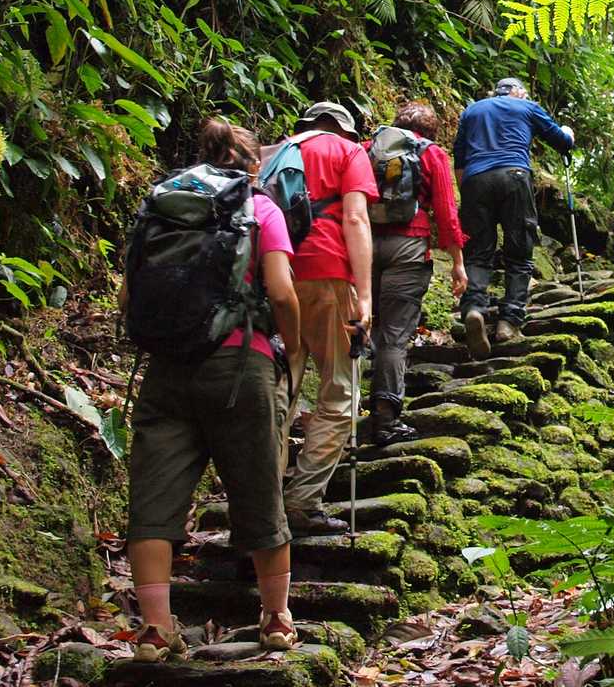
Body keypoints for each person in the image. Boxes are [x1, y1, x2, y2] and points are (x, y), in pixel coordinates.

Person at [124, 118, 300, 660]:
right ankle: (275, 619)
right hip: (239, 366)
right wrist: (292, 357)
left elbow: (128, 298)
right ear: (254, 164)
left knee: (153, 504)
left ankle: (155, 629)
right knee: (259, 492)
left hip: (166, 368)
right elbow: (283, 293)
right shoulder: (258, 207)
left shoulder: (161, 207)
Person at [278, 101, 379, 536]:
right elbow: (355, 218)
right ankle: (301, 502)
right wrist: (366, 296)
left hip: (275, 273)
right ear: (347, 130)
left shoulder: (276, 152)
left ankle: (262, 499)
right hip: (327, 273)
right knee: (340, 389)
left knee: (281, 388)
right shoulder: (348, 152)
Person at [364, 101, 468, 446]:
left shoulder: (368, 149)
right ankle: (385, 418)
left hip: (365, 245)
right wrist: (457, 261)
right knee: (394, 335)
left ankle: (354, 413)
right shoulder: (432, 154)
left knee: (374, 327)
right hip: (408, 247)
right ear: (433, 130)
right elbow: (446, 211)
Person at [454, 77, 574, 359]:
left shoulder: (472, 110)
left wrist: (469, 192)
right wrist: (569, 134)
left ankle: (473, 309)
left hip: (475, 180)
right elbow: (560, 141)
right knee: (520, 253)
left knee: (477, 253)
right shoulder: (527, 107)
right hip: (514, 176)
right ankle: (509, 321)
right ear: (518, 92)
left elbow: (459, 158)